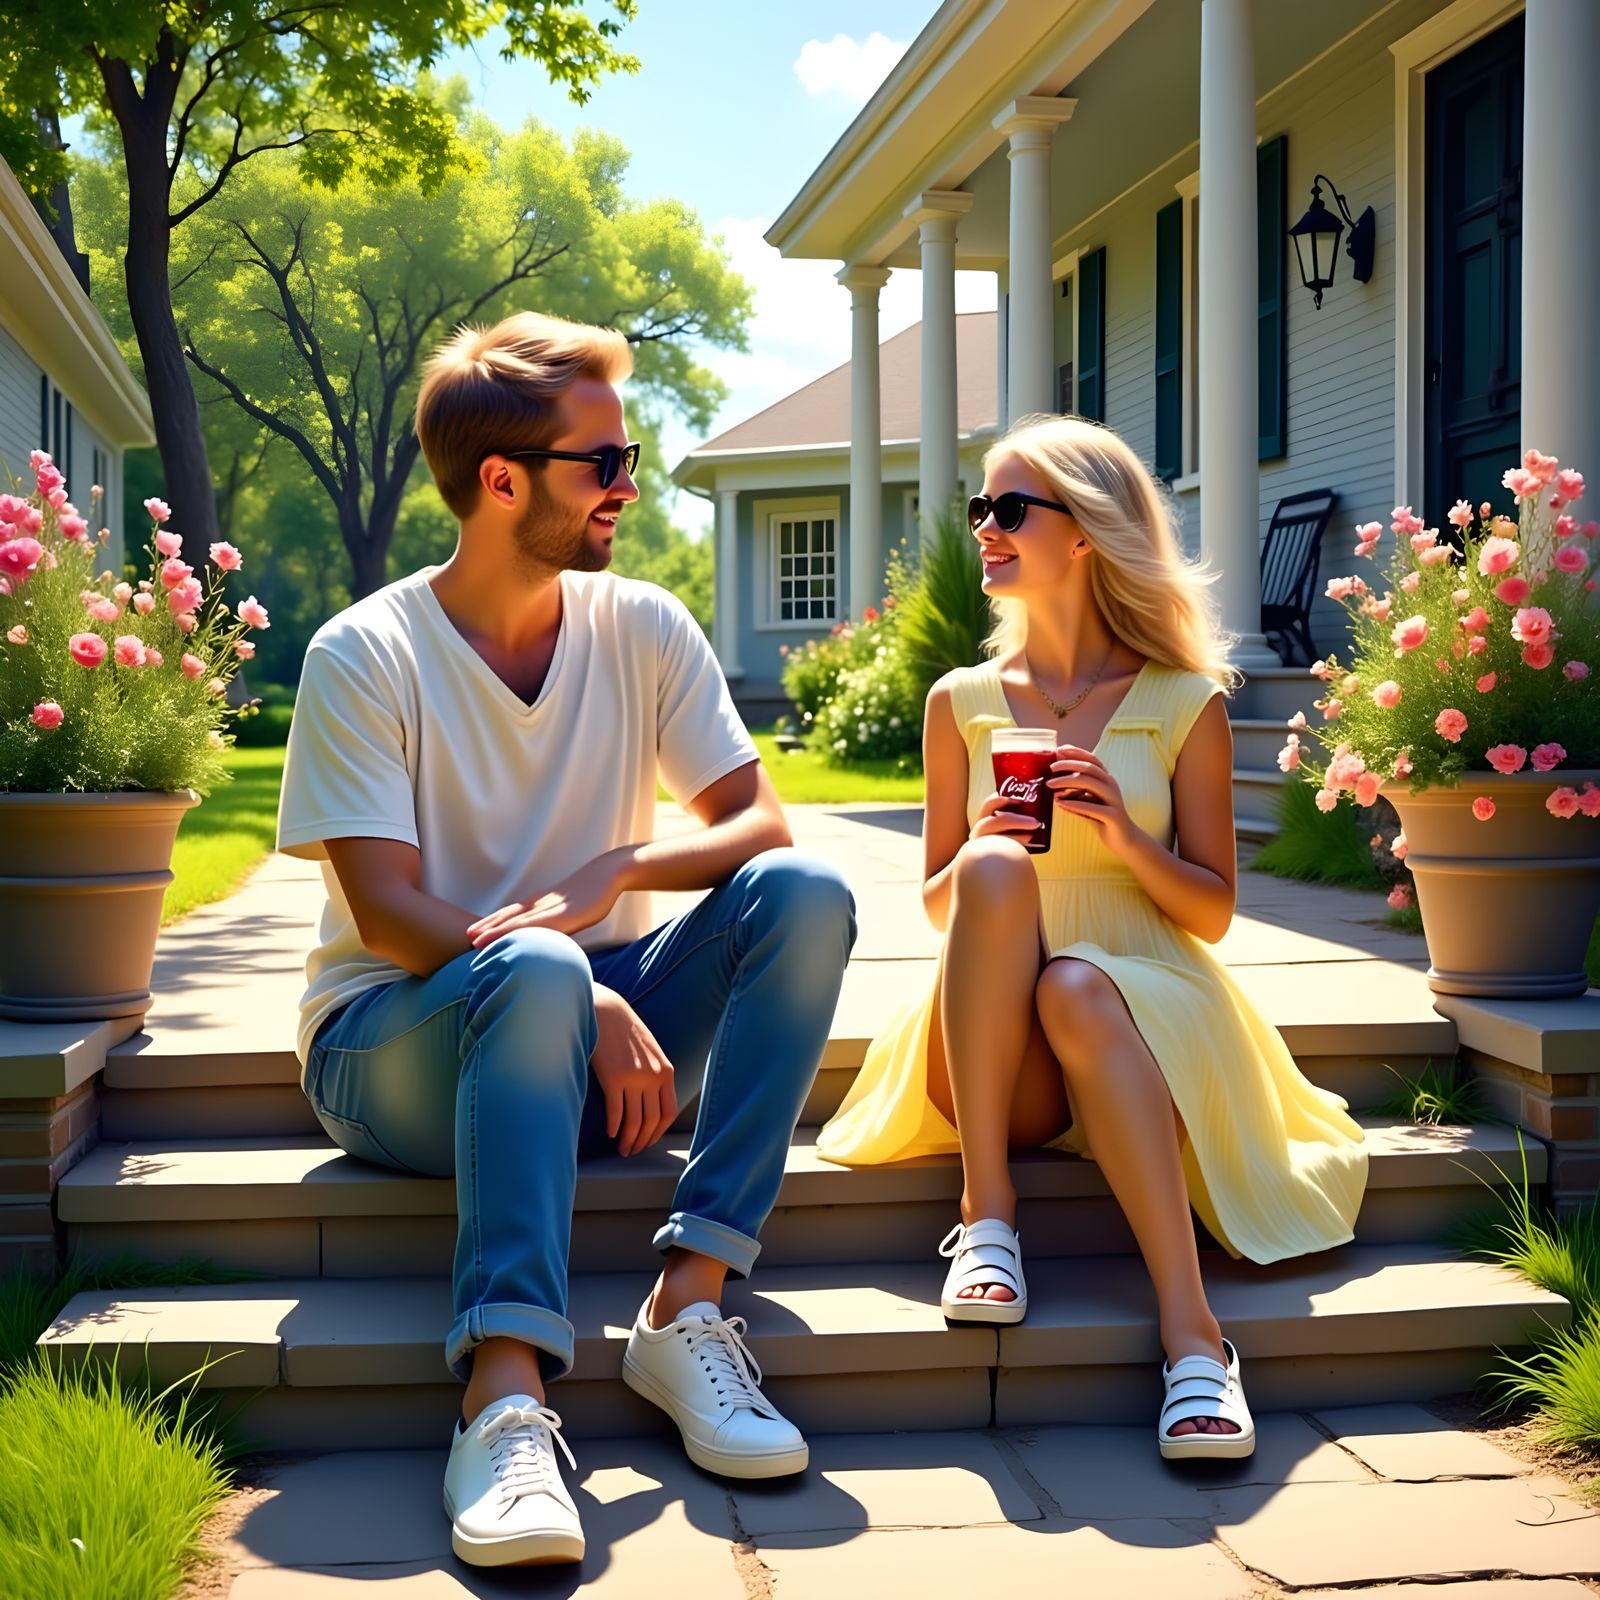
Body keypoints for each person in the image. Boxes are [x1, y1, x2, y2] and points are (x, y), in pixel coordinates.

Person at [276, 310, 856, 1567]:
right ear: (501, 481)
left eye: (625, 456)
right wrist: (581, 993)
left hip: (597, 1040)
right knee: (541, 969)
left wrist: (619, 872)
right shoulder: (364, 653)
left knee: (805, 891)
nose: (627, 485)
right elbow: (386, 911)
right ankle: (502, 1399)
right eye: (602, 462)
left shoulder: (640, 624)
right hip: (394, 1047)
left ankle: (687, 1304)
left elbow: (758, 820)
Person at [818, 415, 1367, 1462]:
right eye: (979, 507)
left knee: (1073, 983)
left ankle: (1194, 1339)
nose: (985, 527)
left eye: (1010, 508)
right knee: (989, 872)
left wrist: (1122, 834)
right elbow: (935, 906)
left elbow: (1211, 911)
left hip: (1140, 1014)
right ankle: (988, 1217)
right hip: (997, 1051)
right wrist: (983, 845)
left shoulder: (1182, 702)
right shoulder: (960, 703)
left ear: (1084, 532)